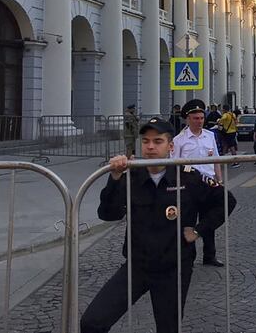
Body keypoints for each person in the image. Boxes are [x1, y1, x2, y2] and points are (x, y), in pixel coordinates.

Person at [79, 117, 236, 333]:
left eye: (158, 141)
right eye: (146, 141)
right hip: (137, 266)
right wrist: (115, 177)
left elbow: (226, 201)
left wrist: (200, 230)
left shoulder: (187, 177)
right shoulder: (132, 175)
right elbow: (108, 214)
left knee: (168, 328)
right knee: (92, 322)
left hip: (173, 268)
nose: (150, 147)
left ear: (171, 146)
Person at [172, 99, 228, 267]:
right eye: (195, 118)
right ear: (188, 119)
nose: (199, 121)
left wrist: (220, 179)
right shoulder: (179, 140)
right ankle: (188, 257)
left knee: (209, 220)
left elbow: (216, 159)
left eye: (201, 118)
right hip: (189, 186)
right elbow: (174, 165)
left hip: (209, 184)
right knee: (188, 221)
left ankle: (209, 256)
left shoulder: (210, 135)